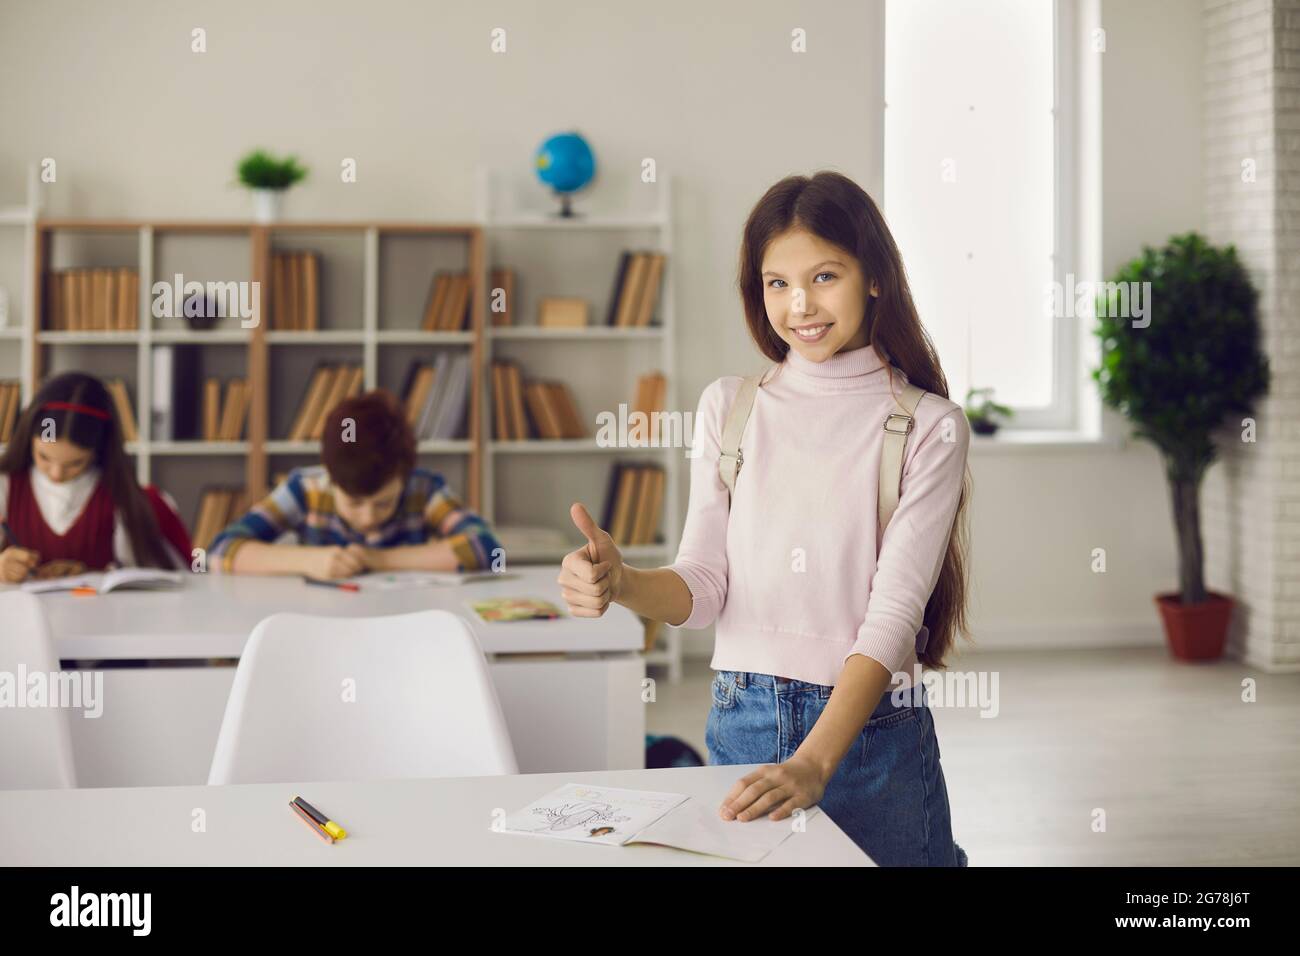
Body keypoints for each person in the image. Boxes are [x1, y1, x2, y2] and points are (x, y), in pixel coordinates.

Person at [557, 171, 973, 866]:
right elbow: (703, 585)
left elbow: (894, 613)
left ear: (874, 277)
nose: (800, 304)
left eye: (824, 276)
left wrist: (815, 763)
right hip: (741, 718)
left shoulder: (929, 425)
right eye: (776, 284)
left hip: (869, 734)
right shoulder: (732, 406)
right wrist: (622, 582)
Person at [209, 389, 502, 578]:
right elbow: (220, 551)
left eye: (383, 503)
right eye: (354, 503)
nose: (368, 518)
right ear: (330, 478)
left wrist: (378, 559)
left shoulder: (424, 490)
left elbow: (486, 548)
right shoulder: (307, 488)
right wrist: (308, 561)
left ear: (403, 477)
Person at [0, 372, 192, 582]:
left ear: (98, 451)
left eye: (75, 463)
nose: (56, 474)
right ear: (28, 440)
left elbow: (177, 576)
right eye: (44, 457)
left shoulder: (126, 499)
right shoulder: (6, 486)